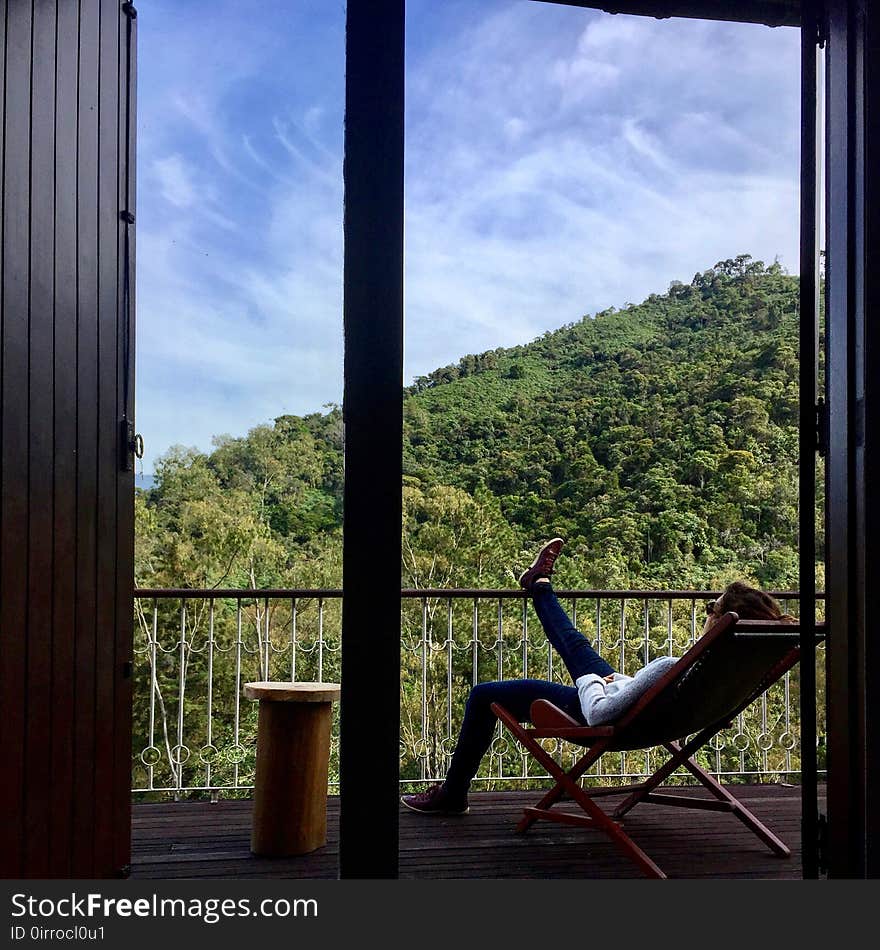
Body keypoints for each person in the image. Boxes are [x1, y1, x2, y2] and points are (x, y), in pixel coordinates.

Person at [400, 537, 793, 816]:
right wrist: (615, 682)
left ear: (721, 620)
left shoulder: (671, 666)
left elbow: (599, 716)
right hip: (647, 709)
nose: (707, 611)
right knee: (575, 645)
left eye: (712, 607)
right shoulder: (723, 670)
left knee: (485, 694)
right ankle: (539, 585)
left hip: (608, 710)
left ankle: (453, 794)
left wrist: (592, 683)